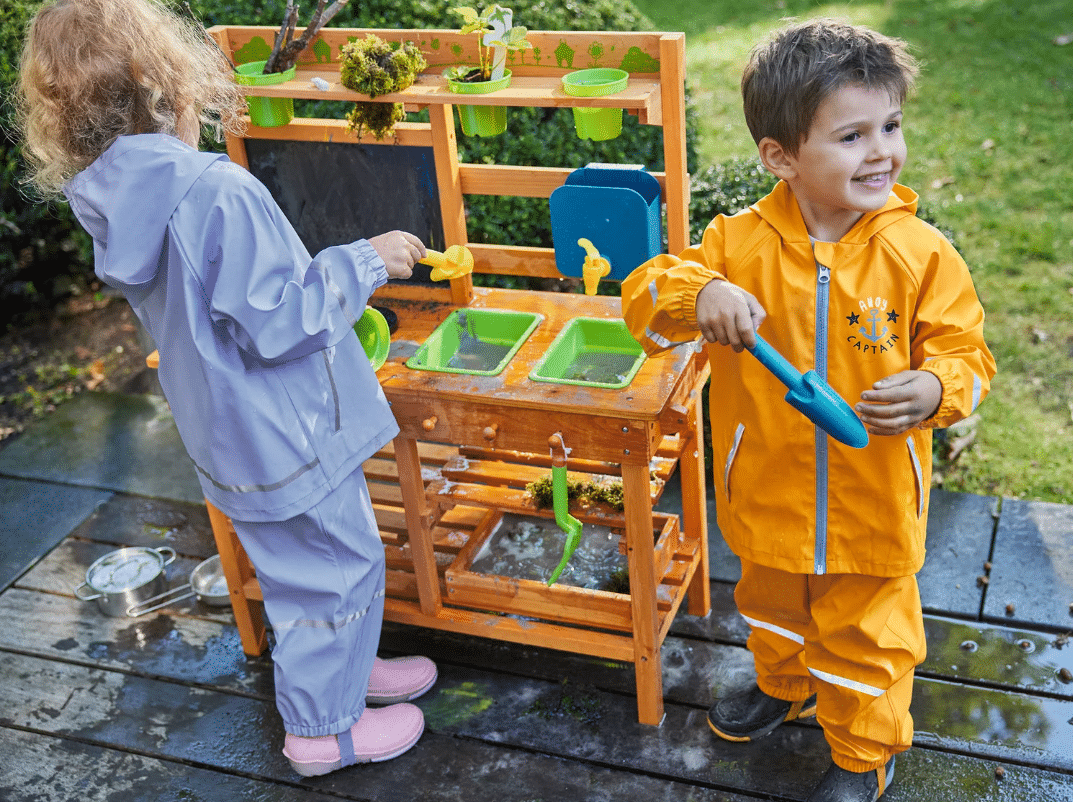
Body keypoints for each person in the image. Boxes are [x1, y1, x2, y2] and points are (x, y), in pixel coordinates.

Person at [16, 0, 438, 777]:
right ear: (157, 78)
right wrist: (367, 259)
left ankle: (345, 673)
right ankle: (323, 732)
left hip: (229, 430)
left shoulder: (107, 191)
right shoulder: (215, 190)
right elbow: (281, 321)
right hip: (285, 424)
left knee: (303, 567)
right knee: (336, 567)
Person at [622, 18, 996, 802]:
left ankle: (862, 753)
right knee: (771, 606)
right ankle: (783, 680)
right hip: (766, 492)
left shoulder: (920, 254)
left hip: (873, 508)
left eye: (889, 127)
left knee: (866, 638)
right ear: (780, 157)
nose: (881, 152)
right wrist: (701, 293)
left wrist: (934, 389)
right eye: (852, 135)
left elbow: (966, 356)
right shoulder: (736, 245)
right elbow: (646, 303)